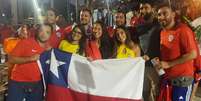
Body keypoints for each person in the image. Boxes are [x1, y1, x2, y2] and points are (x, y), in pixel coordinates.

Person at [155, 4, 197, 101]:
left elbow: (193, 54)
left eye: (165, 13)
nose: (161, 17)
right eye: (159, 14)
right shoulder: (162, 32)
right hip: (168, 80)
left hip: (182, 81)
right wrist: (161, 62)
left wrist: (169, 64)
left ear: (173, 14)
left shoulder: (183, 30)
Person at [7, 23, 53, 101]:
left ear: (51, 34)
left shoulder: (49, 49)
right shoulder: (26, 42)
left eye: (47, 32)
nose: (43, 34)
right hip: (19, 82)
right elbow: (11, 59)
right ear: (37, 31)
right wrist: (30, 59)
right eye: (41, 30)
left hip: (37, 85)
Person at [134, 2, 162, 101]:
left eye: (146, 8)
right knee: (145, 94)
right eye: (141, 8)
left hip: (156, 66)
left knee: (157, 93)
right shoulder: (138, 27)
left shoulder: (159, 25)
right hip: (143, 66)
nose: (143, 11)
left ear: (153, 9)